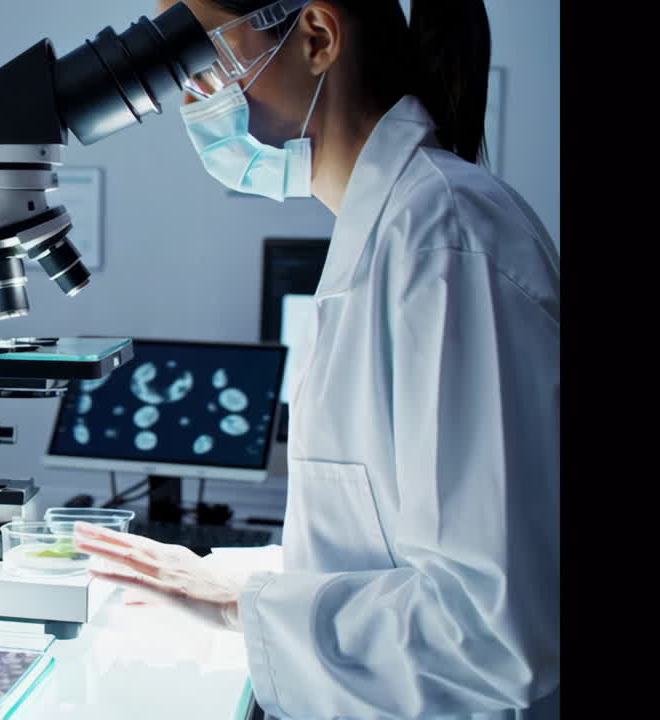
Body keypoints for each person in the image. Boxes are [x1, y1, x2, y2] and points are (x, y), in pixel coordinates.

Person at [74, 1, 559, 718]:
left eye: (199, 53)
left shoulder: (444, 240)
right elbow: (379, 549)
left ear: (317, 38)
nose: (192, 91)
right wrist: (224, 577)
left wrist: (248, 606)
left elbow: (491, 635)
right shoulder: (389, 227)